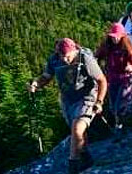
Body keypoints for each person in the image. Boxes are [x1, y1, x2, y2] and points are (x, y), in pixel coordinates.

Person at [29, 38, 108, 174]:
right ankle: (86, 158)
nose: (65, 60)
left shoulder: (85, 59)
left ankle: (73, 167)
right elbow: (46, 77)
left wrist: (99, 101)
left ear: (74, 51)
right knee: (78, 132)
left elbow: (102, 80)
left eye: (68, 56)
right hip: (67, 100)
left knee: (77, 129)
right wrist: (36, 84)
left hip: (87, 97)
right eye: (62, 56)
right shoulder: (54, 60)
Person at [95, 22, 132, 132]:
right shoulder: (107, 46)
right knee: (112, 106)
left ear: (122, 36)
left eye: (117, 37)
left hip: (125, 79)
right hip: (112, 79)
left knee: (120, 105)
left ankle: (122, 126)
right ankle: (117, 125)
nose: (115, 39)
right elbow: (97, 56)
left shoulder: (127, 47)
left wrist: (131, 67)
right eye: (113, 37)